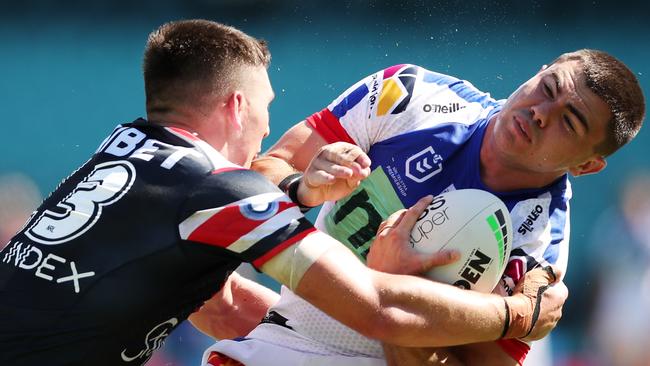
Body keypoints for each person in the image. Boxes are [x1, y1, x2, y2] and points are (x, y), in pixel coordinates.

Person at [0, 19, 566, 366]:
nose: (267, 136)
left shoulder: (124, 147)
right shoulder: (220, 189)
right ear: (236, 106)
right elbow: (379, 308)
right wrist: (516, 313)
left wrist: (295, 189)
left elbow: (218, 306)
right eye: (266, 115)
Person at [203, 49, 645, 365]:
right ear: (540, 70)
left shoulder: (537, 254)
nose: (541, 113)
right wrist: (300, 185)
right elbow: (266, 169)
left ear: (587, 165)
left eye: (569, 121)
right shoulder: (409, 96)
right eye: (548, 87)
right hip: (277, 340)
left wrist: (395, 286)